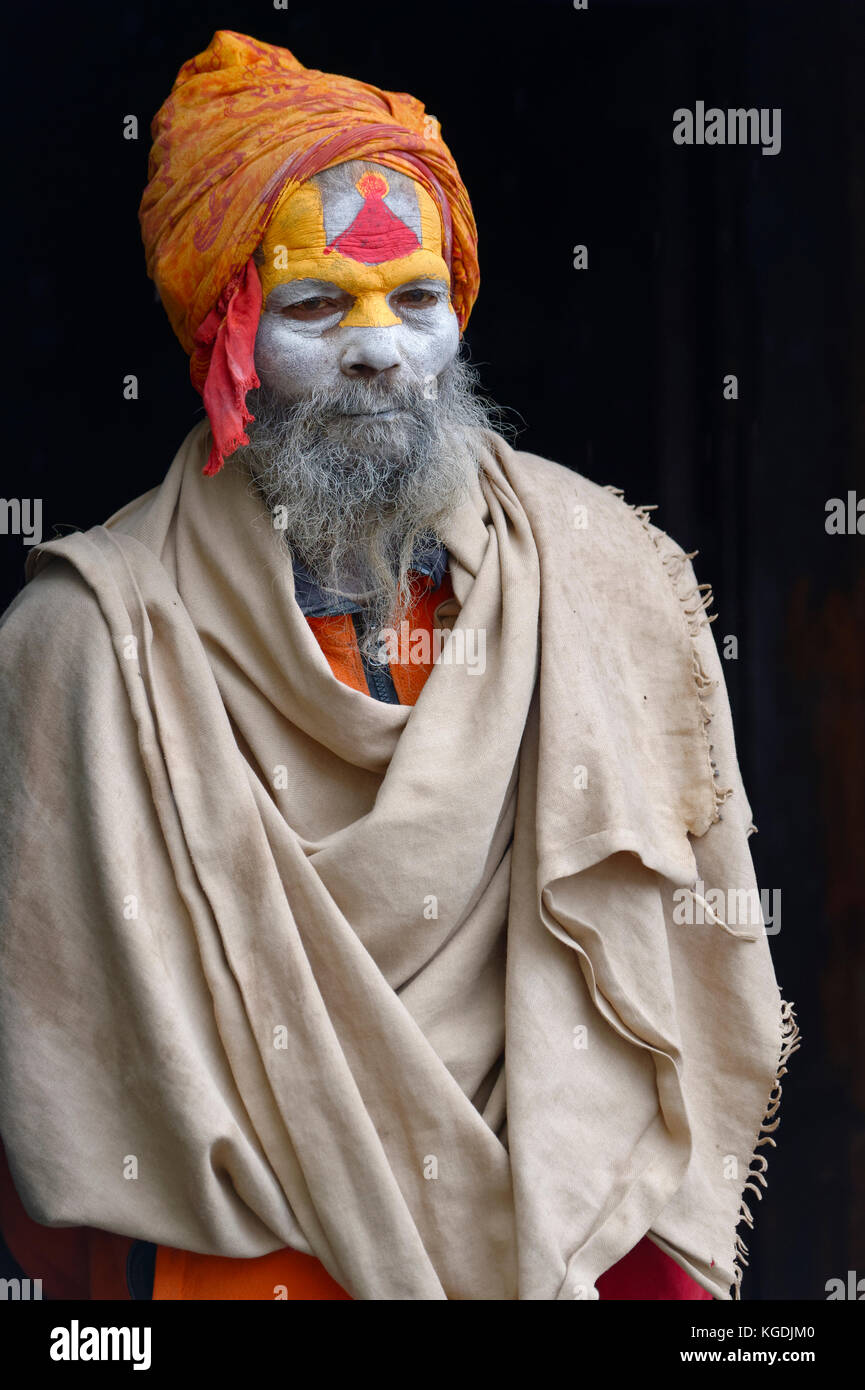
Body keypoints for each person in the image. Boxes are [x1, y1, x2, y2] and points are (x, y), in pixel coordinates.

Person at [0, 30, 799, 1302]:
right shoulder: (85, 644)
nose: (380, 350)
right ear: (227, 336)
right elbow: (64, 1089)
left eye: (415, 300)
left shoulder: (606, 576)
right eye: (319, 306)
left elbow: (681, 1013)